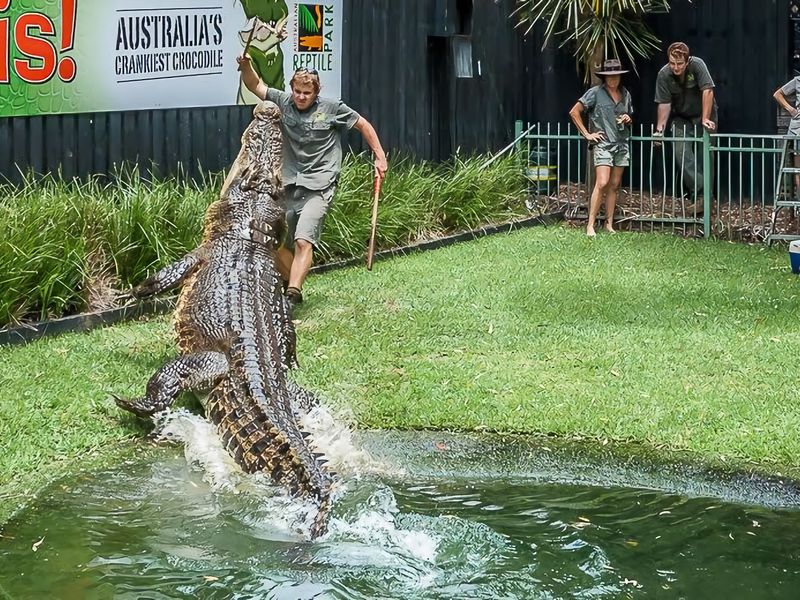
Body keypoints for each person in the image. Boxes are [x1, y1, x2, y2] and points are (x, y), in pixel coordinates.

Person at [236, 55, 388, 308]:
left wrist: (380, 156)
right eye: (297, 91)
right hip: (287, 185)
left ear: (316, 92)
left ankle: (292, 295)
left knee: (303, 240)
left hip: (320, 184)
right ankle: (288, 281)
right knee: (269, 241)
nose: (301, 97)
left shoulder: (332, 108)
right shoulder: (283, 103)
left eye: (307, 92)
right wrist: (245, 66)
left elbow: (363, 125)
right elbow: (256, 86)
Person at [569, 59, 633, 237]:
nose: (613, 80)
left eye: (616, 76)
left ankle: (609, 223)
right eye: (609, 77)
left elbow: (629, 117)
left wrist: (628, 119)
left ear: (620, 76)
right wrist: (587, 134)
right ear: (604, 78)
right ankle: (590, 225)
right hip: (603, 143)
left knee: (614, 185)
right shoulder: (595, 93)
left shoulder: (625, 94)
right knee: (602, 182)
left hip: (621, 143)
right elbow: (574, 112)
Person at [653, 42, 717, 213]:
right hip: (681, 117)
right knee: (681, 152)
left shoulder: (697, 65)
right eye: (672, 63)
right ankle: (700, 195)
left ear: (687, 62)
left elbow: (708, 90)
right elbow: (664, 104)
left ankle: (707, 200)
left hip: (704, 114)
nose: (675, 67)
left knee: (706, 155)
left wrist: (705, 117)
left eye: (679, 64)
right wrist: (659, 131)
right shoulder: (664, 74)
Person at [773, 76, 800, 193]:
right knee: (798, 168)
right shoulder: (798, 80)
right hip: (798, 129)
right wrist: (791, 109)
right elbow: (777, 94)